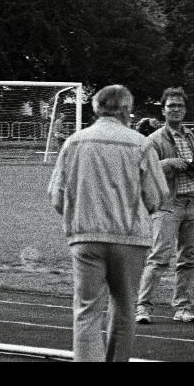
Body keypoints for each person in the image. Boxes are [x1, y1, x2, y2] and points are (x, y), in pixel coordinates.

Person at [48, 84, 169, 362]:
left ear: (96, 108)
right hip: (130, 237)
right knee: (125, 308)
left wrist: (78, 215)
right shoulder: (140, 142)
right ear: (126, 109)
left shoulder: (75, 142)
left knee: (87, 310)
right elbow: (157, 196)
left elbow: (57, 195)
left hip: (86, 236)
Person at [135, 87, 194, 324]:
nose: (176, 109)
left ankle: (182, 307)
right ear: (163, 110)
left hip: (193, 202)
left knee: (188, 258)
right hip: (167, 204)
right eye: (171, 106)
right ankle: (143, 307)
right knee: (159, 257)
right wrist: (169, 163)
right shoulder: (154, 139)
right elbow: (143, 167)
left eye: (180, 106)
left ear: (185, 109)